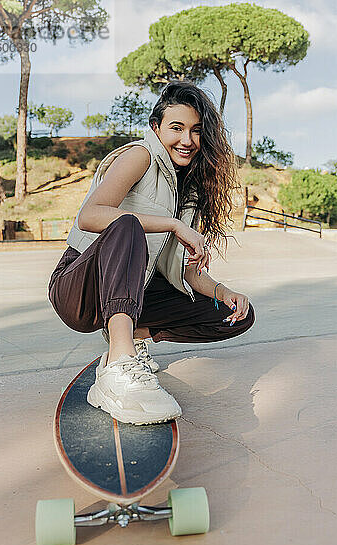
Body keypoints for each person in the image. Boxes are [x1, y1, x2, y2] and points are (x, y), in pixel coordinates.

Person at [48, 80, 255, 425]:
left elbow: (186, 273)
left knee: (235, 314)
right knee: (128, 225)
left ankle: (132, 337)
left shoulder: (191, 191)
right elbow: (90, 216)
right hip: (79, 287)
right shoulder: (139, 156)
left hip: (134, 293)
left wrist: (224, 292)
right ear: (156, 127)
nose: (187, 140)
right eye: (177, 128)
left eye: (196, 131)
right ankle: (118, 367)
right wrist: (172, 225)